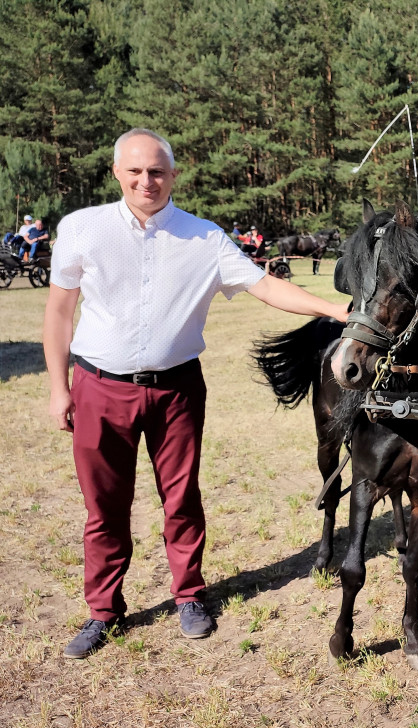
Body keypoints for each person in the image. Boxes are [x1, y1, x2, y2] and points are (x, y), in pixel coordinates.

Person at [43, 128, 350, 659]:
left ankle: (188, 595)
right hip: (98, 387)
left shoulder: (204, 237)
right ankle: (102, 611)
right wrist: (58, 387)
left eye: (157, 171)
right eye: (135, 171)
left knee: (181, 499)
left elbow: (265, 286)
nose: (147, 180)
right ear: (117, 173)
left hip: (177, 390)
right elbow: (58, 312)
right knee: (104, 507)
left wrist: (335, 310)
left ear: (173, 175)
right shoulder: (81, 229)